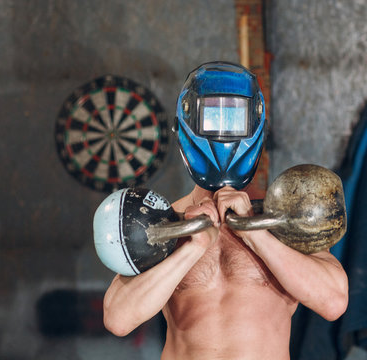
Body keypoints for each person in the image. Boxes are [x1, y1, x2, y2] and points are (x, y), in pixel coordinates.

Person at [102, 62, 348, 359]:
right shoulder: (162, 223)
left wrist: (254, 233)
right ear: (184, 127)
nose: (222, 132)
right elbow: (118, 319)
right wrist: (193, 247)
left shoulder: (285, 218)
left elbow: (333, 301)